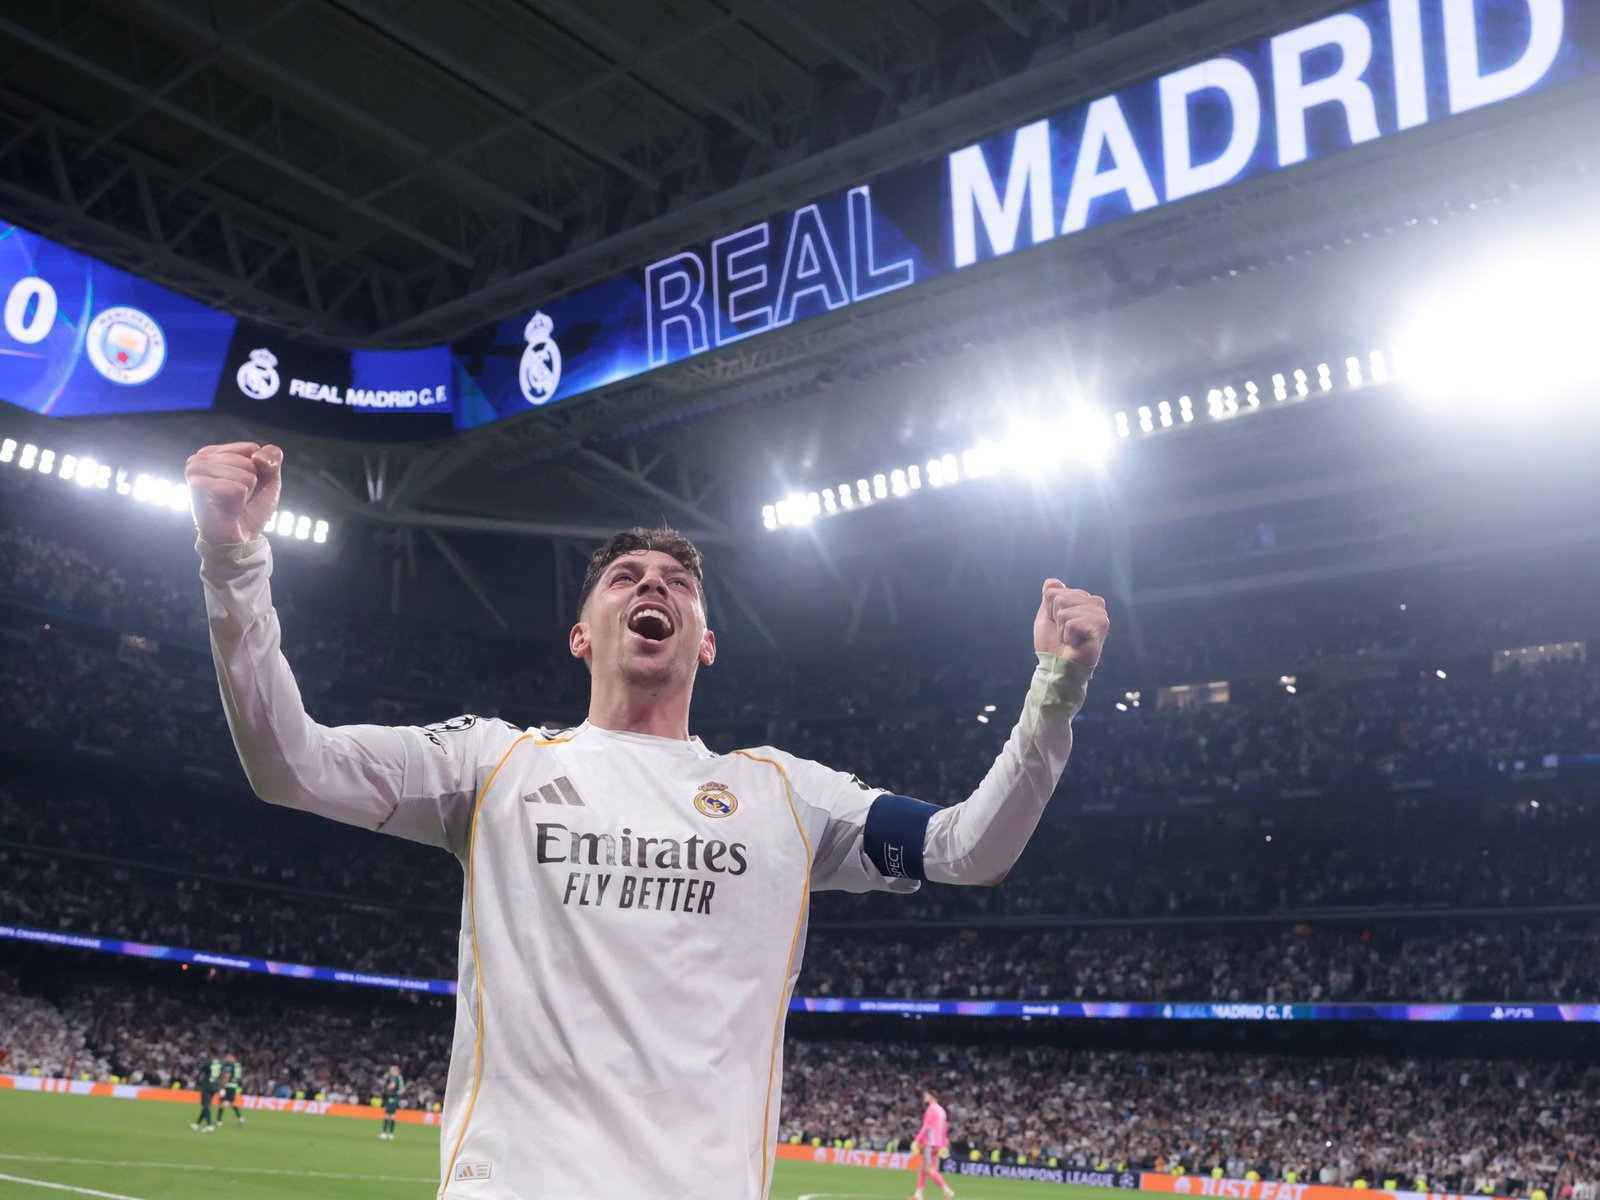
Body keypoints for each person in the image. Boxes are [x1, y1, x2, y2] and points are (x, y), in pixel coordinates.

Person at [185, 441, 1109, 1200]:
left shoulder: (785, 795)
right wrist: (233, 556)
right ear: (584, 633)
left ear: (705, 639)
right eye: (624, 575)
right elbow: (289, 762)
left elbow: (966, 848)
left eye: (676, 579)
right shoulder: (492, 762)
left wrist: (1055, 689)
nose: (651, 585)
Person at [910, 1089, 956, 1200]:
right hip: (938, 1143)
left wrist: (916, 1140)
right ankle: (918, 1194)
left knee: (929, 1169)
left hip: (930, 1142)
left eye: (926, 1095)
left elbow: (926, 1126)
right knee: (923, 1167)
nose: (924, 1097)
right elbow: (944, 1128)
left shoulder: (931, 1110)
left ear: (932, 1096)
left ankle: (947, 1190)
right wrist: (944, 1144)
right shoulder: (942, 1111)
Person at [191, 1053, 223, 1132]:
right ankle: (197, 1124)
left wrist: (194, 1076)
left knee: (205, 1105)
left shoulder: (208, 1062)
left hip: (207, 1085)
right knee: (207, 1105)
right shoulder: (220, 1063)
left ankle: (209, 1125)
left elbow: (198, 1072)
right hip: (215, 1086)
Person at [218, 1053, 246, 1124]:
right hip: (234, 1085)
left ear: (233, 1057)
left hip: (228, 1085)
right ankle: (240, 1118)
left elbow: (227, 1075)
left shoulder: (230, 1065)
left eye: (228, 1057)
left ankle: (219, 1120)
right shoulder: (238, 1066)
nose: (227, 1059)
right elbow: (239, 1076)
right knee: (231, 1102)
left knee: (222, 1102)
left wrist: (223, 1086)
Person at [380, 1064, 405, 1140]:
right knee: (392, 1114)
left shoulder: (394, 1078)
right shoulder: (400, 1078)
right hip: (395, 1098)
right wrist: (398, 1094)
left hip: (391, 1098)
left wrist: (387, 1088)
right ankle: (391, 1133)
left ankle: (385, 1133)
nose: (389, 1071)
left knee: (387, 1115)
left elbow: (392, 1086)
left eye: (391, 1070)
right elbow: (402, 1089)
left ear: (394, 1071)